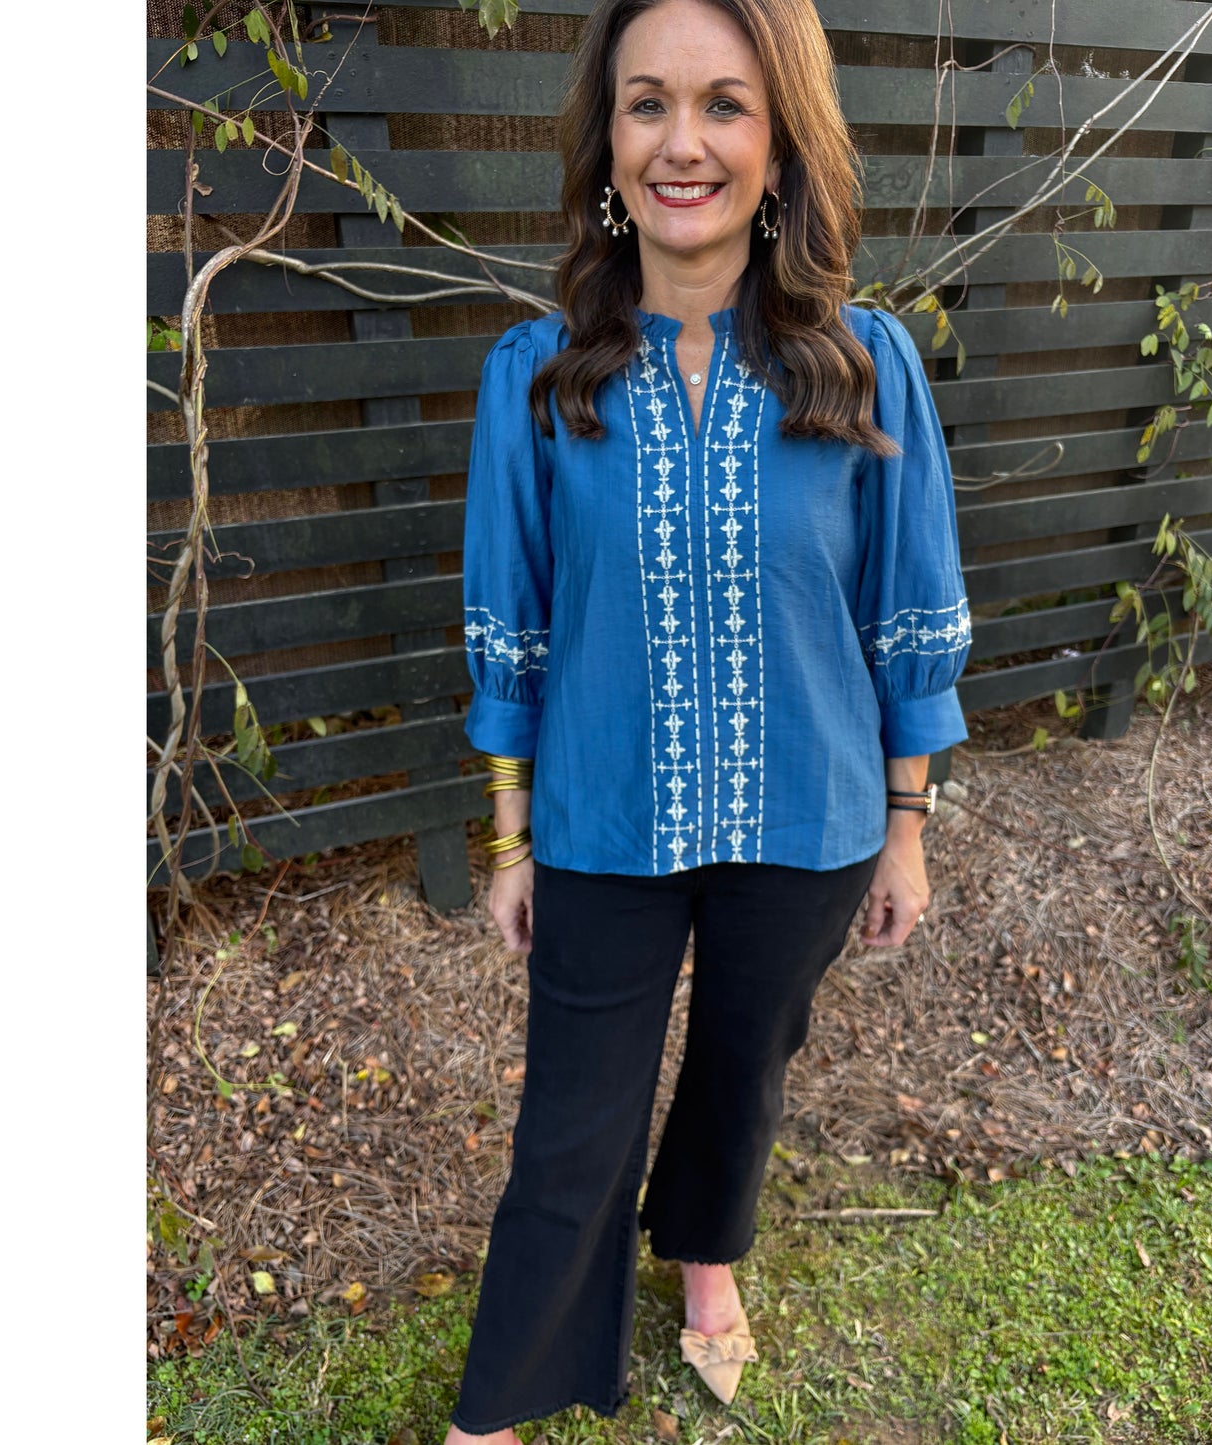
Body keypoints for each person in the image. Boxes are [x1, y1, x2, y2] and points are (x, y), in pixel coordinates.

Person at [446, 0, 970, 1439]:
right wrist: (509, 836)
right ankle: (497, 1406)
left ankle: (707, 1263)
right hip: (603, 822)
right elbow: (513, 632)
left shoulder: (863, 365)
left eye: (725, 105)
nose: (684, 142)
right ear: (606, 143)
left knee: (743, 1068)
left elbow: (908, 615)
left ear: (781, 140)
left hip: (806, 820)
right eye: (647, 105)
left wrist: (905, 829)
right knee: (570, 1131)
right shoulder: (536, 378)